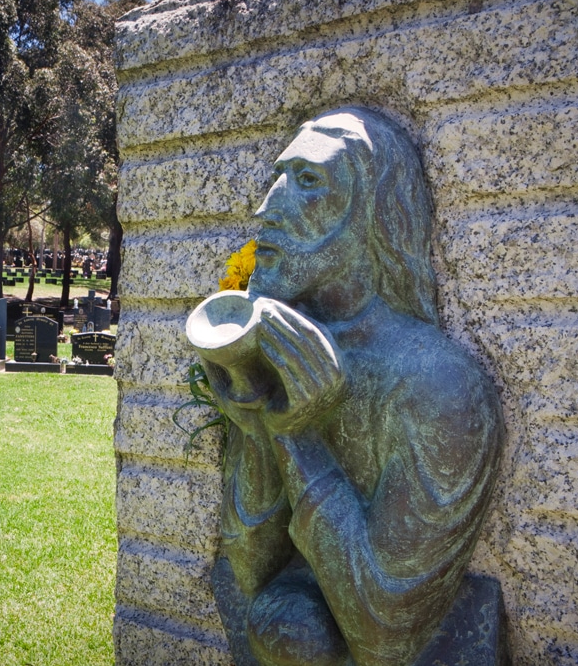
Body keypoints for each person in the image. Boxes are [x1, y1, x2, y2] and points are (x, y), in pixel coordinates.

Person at [186, 108, 503, 665]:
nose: (266, 207)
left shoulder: (439, 385)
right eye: (277, 178)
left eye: (307, 179)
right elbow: (250, 573)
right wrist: (257, 420)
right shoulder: (284, 351)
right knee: (283, 622)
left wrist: (296, 434)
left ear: (371, 210)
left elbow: (385, 630)